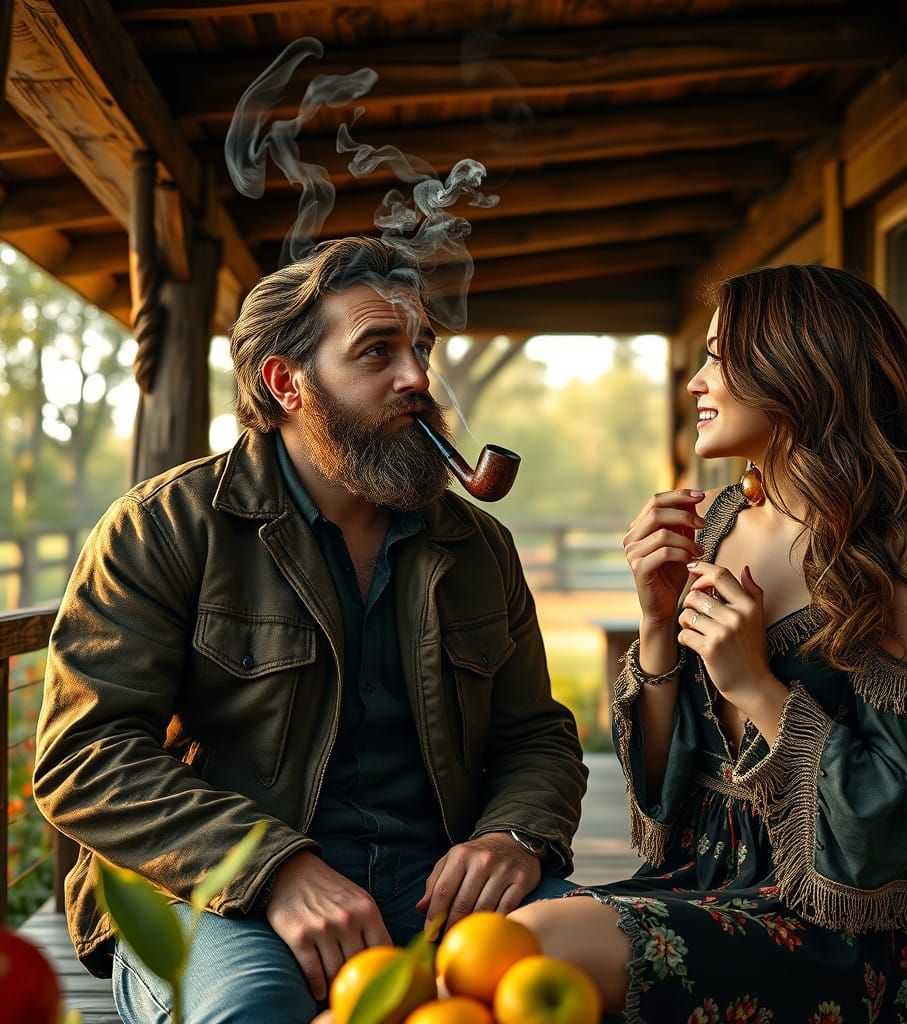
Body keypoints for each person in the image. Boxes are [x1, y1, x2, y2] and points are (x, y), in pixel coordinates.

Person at [33, 237, 587, 1023]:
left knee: (616, 971)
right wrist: (275, 869)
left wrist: (514, 836)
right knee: (253, 1009)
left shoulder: (477, 546)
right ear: (286, 382)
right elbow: (86, 755)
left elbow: (535, 734)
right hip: (216, 890)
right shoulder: (163, 528)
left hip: (442, 883)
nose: (417, 378)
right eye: (377, 351)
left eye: (421, 348)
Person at [510, 264, 907, 1023]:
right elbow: (662, 798)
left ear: (797, 367)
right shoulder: (716, 521)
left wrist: (755, 686)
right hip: (699, 882)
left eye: (720, 358)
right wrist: (657, 623)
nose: (697, 382)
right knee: (488, 945)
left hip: (845, 932)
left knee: (536, 943)